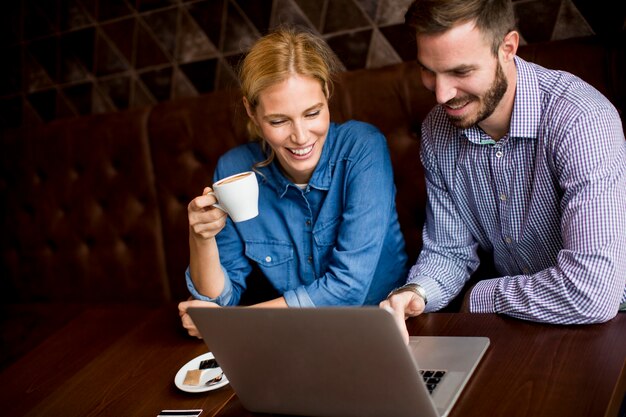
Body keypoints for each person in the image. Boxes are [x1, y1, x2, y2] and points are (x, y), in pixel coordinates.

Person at [381, 0, 626, 342]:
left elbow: (593, 293)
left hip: (612, 325)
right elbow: (448, 251)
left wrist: (481, 296)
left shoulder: (581, 120)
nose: (441, 94)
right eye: (428, 70)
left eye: (461, 72)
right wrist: (416, 293)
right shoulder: (437, 131)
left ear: (507, 48)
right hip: (516, 324)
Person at [179, 28, 408, 337]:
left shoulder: (361, 148)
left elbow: (349, 288)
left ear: (327, 93)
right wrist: (201, 238)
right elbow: (217, 299)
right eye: (278, 121)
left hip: (382, 334)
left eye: (312, 113)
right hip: (296, 340)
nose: (300, 137)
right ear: (252, 111)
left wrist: (231, 324)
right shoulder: (233, 169)